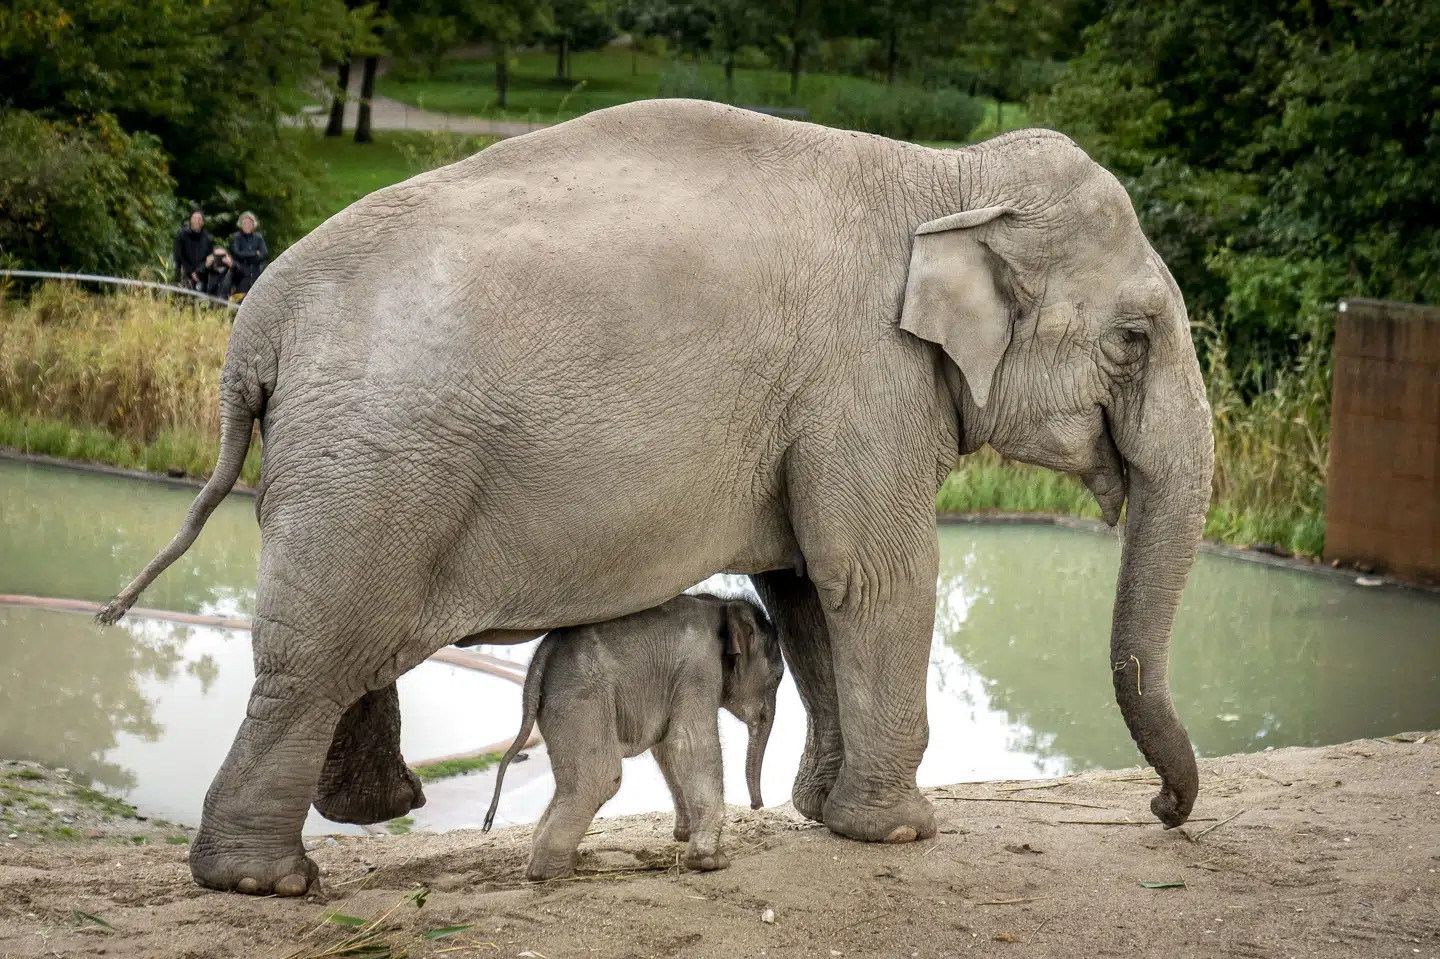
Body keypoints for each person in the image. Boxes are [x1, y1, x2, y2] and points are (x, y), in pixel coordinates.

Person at [173, 209, 213, 291]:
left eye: (199, 219)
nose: (196, 221)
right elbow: (178, 256)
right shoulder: (181, 235)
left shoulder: (208, 238)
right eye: (194, 218)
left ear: (203, 222)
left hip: (201, 274)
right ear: (190, 219)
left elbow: (208, 258)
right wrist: (191, 272)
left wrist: (198, 272)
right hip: (184, 272)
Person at [229, 211, 268, 294]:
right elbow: (236, 254)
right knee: (240, 299)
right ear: (240, 224)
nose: (247, 225)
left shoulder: (258, 237)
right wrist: (254, 253)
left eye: (249, 223)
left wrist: (248, 257)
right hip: (240, 274)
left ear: (253, 224)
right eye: (244, 223)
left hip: (255, 273)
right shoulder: (236, 237)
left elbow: (264, 254)